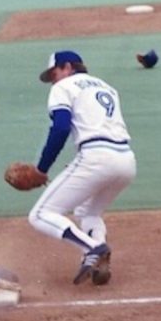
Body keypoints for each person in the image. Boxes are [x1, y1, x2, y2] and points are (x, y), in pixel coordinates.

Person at [26, 51, 136, 286]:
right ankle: (98, 260)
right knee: (88, 212)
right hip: (126, 160)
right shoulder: (107, 87)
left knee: (40, 215)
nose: (54, 80)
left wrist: (42, 168)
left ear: (67, 67)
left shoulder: (64, 86)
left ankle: (93, 247)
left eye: (54, 73)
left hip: (96, 157)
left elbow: (60, 129)